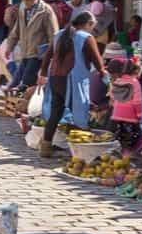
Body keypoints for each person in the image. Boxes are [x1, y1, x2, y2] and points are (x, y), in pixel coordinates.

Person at [39, 10, 105, 157]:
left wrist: (43, 74)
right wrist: (104, 76)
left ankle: (46, 146)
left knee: (56, 113)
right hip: (72, 80)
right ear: (88, 24)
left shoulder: (59, 35)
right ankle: (82, 152)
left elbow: (47, 56)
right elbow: (97, 61)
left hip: (55, 78)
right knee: (79, 113)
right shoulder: (86, 37)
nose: (92, 29)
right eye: (92, 26)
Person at [8, 0, 57, 95]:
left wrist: (52, 55)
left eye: (26, 0)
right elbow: (17, 29)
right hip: (25, 51)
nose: (24, 2)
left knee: (26, 82)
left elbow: (53, 34)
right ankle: (14, 102)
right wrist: (10, 46)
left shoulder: (46, 11)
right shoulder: (22, 8)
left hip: (38, 54)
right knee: (15, 81)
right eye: (22, 0)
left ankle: (24, 106)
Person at [106, 47, 142, 150]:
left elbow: (113, 97)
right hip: (130, 117)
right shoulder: (134, 82)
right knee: (133, 137)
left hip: (116, 116)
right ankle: (128, 154)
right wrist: (139, 114)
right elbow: (137, 101)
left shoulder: (117, 82)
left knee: (119, 136)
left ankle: (118, 152)